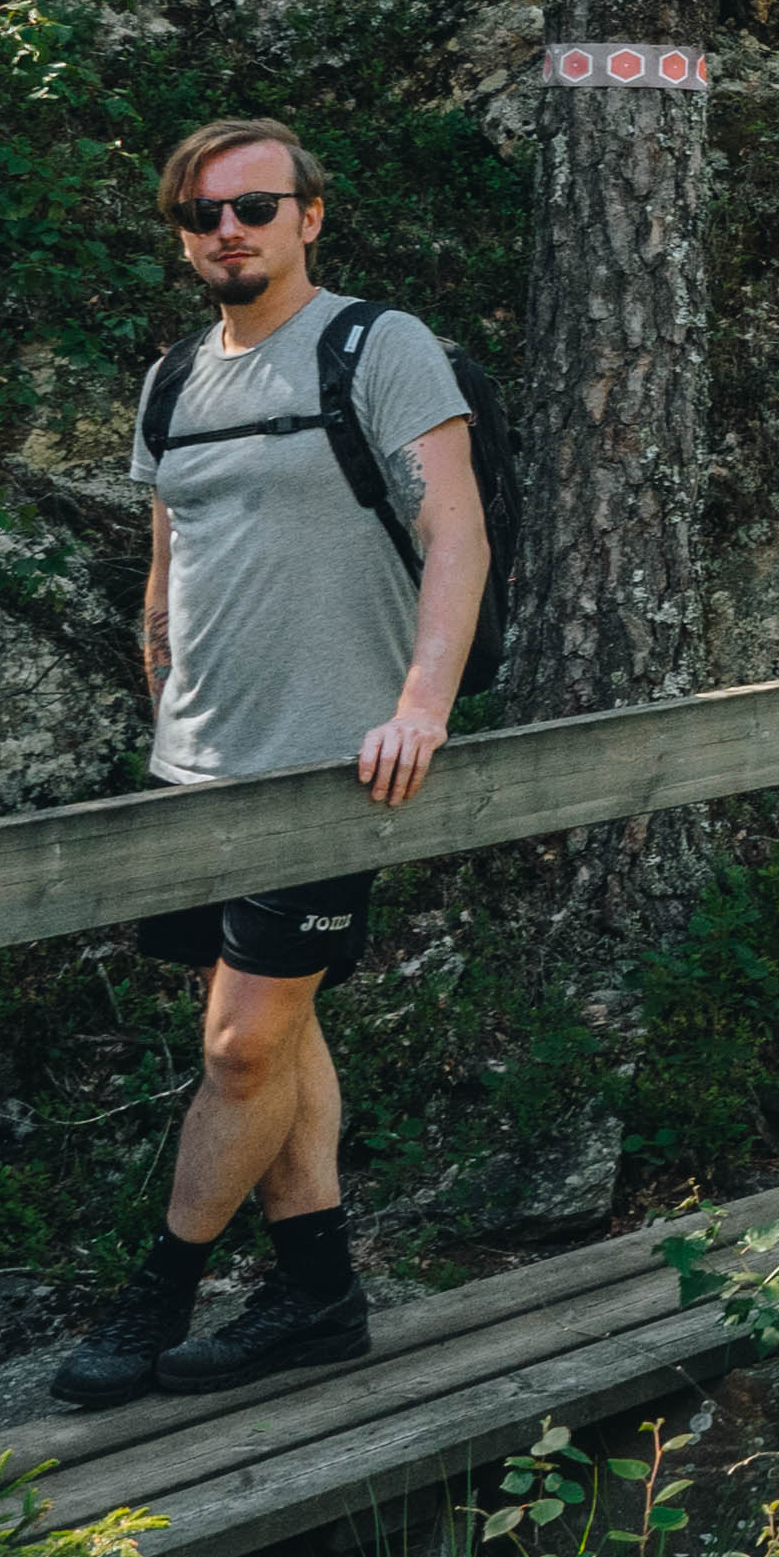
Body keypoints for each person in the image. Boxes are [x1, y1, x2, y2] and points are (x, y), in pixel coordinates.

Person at [50, 118, 486, 1407]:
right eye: (201, 215)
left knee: (240, 1048)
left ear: (309, 215)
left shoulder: (377, 345)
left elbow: (453, 530)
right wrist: (162, 697)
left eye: (252, 206)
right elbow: (171, 557)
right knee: (277, 1037)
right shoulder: (173, 380)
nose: (225, 230)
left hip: (334, 768)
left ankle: (157, 1298)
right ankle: (317, 1293)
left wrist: (421, 705)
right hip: (199, 766)